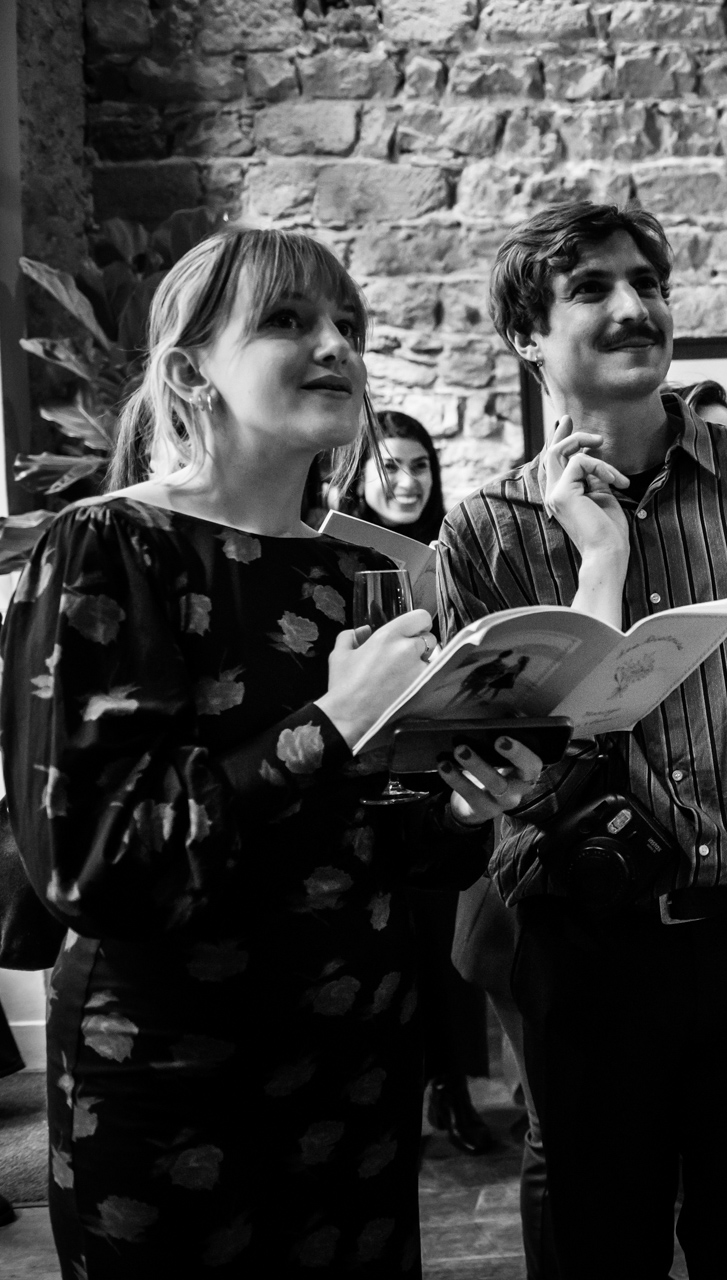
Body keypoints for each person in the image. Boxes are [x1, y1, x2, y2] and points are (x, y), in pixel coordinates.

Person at [0, 227, 533, 1277]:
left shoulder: (359, 571)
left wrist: (468, 811)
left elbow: (386, 833)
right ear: (191, 368)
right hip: (172, 1085)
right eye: (288, 320)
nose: (334, 344)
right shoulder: (108, 545)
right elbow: (96, 865)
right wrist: (328, 723)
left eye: (348, 325)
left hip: (358, 1076)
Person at [435, 202, 727, 1278]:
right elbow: (499, 786)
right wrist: (598, 565)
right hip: (587, 956)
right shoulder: (489, 532)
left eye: (647, 280)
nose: (635, 305)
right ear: (525, 336)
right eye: (591, 288)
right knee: (599, 1251)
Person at [334, 409, 496, 1157]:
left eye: (420, 465)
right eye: (389, 465)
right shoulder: (337, 557)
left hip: (440, 769)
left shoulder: (455, 551)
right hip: (364, 774)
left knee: (443, 941)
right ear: (360, 474)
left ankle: (453, 1088)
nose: (406, 480)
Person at [336, 409, 447, 540]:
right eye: (390, 467)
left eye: (420, 465)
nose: (408, 483)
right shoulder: (326, 544)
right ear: (360, 478)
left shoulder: (455, 545)